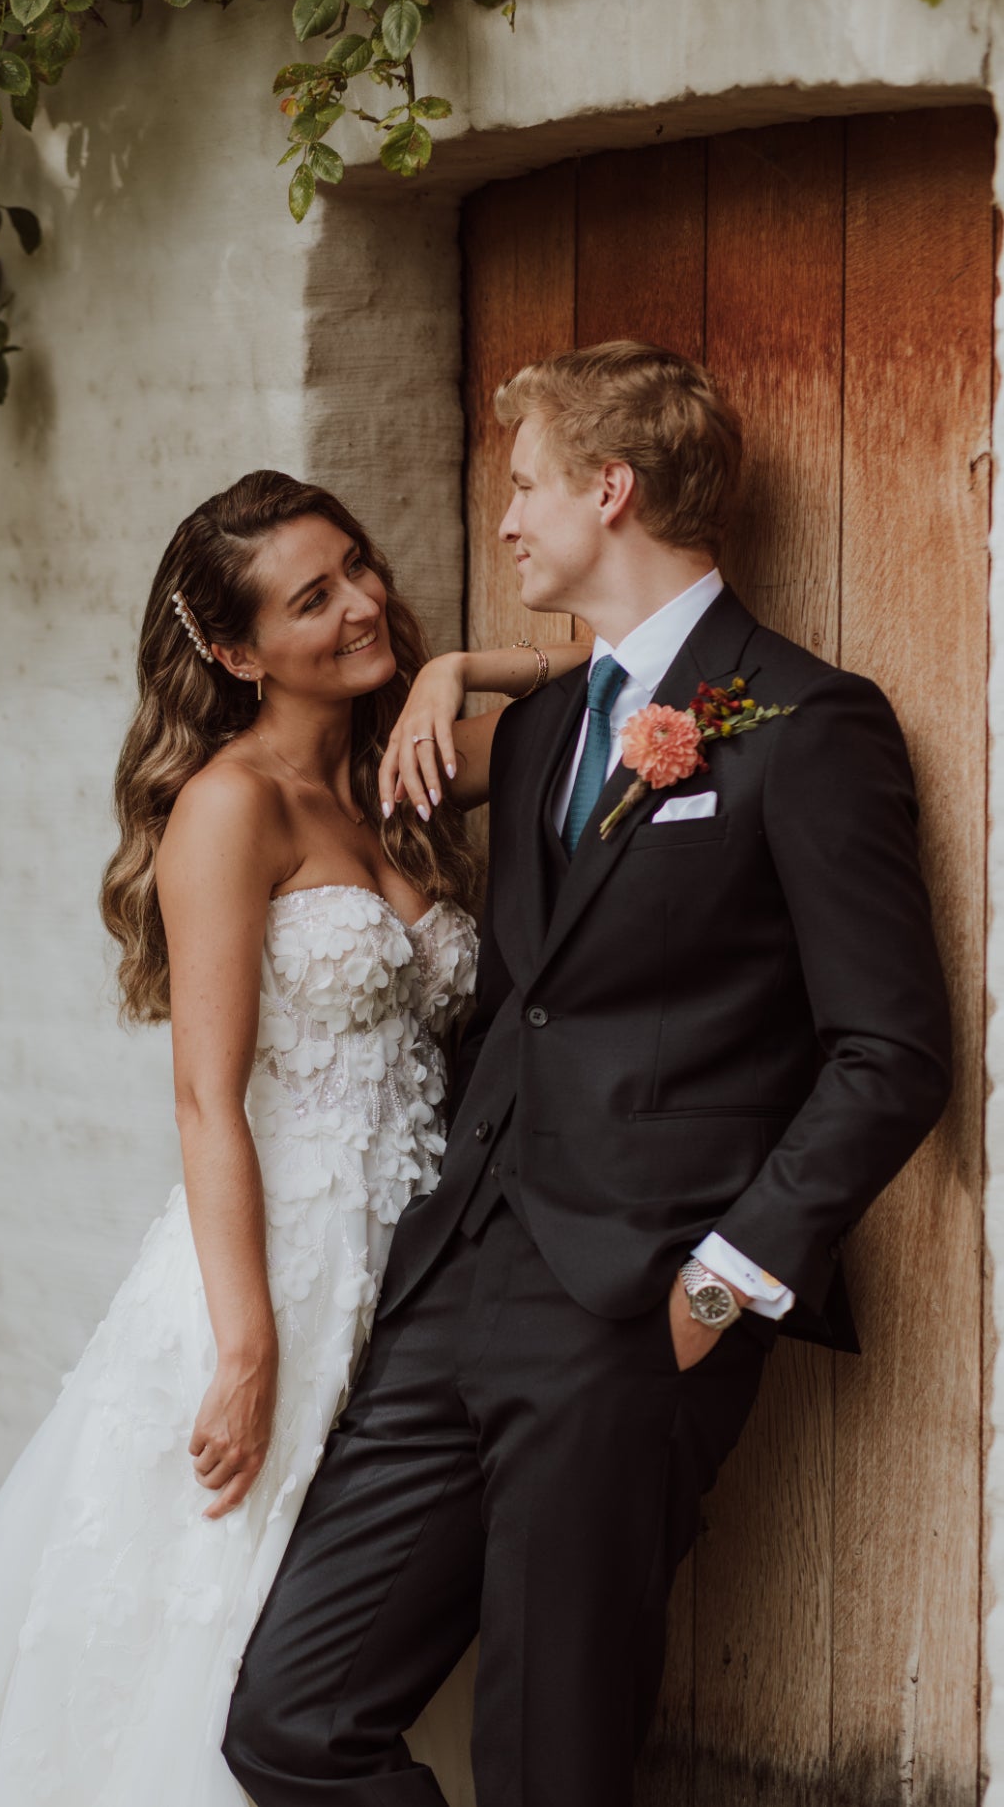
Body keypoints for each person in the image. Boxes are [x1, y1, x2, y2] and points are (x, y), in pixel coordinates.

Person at [222, 343, 954, 1807]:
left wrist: (718, 1285)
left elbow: (890, 1050)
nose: (504, 522)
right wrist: (450, 667)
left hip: (636, 1313)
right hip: (456, 1285)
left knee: (549, 1765)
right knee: (291, 1720)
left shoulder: (806, 724)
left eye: (527, 486)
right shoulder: (552, 722)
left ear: (609, 491)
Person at [0, 470, 588, 1807]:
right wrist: (246, 1342)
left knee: (338, 1644)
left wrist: (456, 665)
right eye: (311, 596)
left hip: (420, 1270)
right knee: (210, 1652)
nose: (360, 603)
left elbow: (605, 685)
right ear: (232, 651)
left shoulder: (409, 767)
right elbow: (204, 1099)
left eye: (356, 567)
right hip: (274, 1268)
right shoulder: (230, 804)